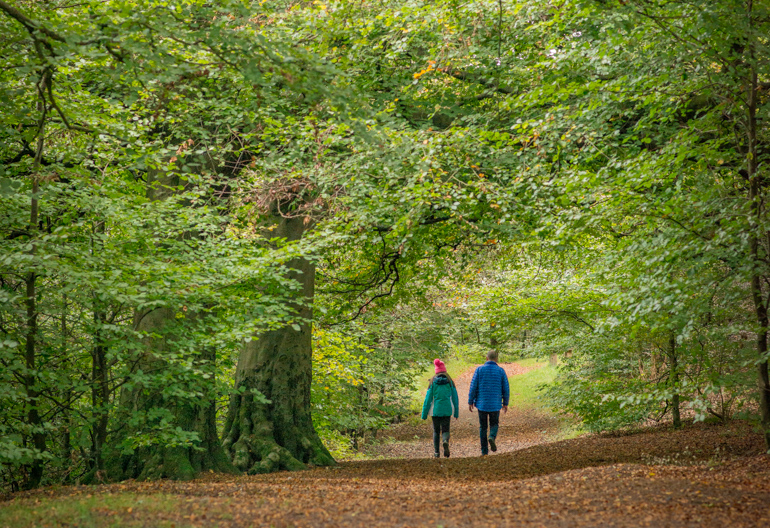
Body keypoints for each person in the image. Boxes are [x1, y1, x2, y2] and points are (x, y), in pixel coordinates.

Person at [468, 350, 509, 456]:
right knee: (494, 424)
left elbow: (473, 386)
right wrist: (505, 403)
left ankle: (484, 451)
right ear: (496, 359)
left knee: (483, 427)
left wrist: (470, 401)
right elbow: (506, 388)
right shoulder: (500, 371)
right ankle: (492, 436)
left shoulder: (479, 370)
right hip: (495, 404)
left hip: (482, 404)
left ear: (486, 358)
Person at [421, 358, 459, 458]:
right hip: (447, 410)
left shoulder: (432, 382)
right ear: (444, 369)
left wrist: (424, 414)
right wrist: (456, 412)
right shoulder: (450, 381)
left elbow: (427, 399)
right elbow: (455, 397)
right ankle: (445, 441)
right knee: (446, 430)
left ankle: (437, 452)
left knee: (436, 431)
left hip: (435, 411)